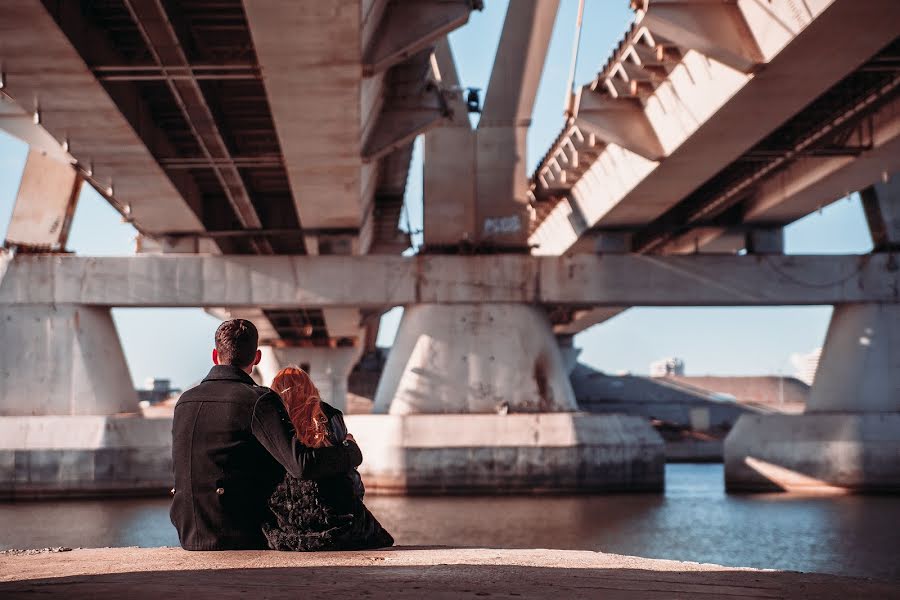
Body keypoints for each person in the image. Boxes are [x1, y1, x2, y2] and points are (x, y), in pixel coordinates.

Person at [170, 319, 363, 551]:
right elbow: (300, 465)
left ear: (214, 355)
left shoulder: (184, 401)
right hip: (238, 532)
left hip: (188, 531)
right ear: (257, 358)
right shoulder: (258, 400)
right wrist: (349, 451)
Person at [263, 366, 394, 551]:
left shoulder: (274, 422)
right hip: (336, 522)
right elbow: (350, 474)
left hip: (292, 525)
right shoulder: (330, 416)